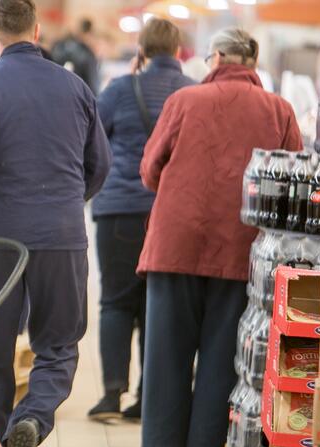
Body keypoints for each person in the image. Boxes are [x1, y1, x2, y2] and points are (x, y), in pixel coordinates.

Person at [0, 0, 110, 447]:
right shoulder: (75, 85)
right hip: (62, 236)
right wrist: (65, 205)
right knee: (57, 345)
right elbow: (101, 164)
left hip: (0, 238)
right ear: (37, 30)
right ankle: (31, 418)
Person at [137, 28, 302, 447]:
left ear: (216, 59)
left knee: (167, 350)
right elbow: (294, 180)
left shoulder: (184, 101)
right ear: (250, 62)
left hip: (176, 242)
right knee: (223, 354)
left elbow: (151, 169)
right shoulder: (279, 111)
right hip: (242, 250)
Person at [87, 18, 194, 423]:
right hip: (169, 212)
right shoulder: (193, 93)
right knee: (157, 304)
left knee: (115, 301)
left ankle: (112, 394)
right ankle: (149, 399)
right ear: (179, 50)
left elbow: (92, 141)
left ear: (142, 50)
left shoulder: (117, 89)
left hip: (118, 210)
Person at [50, 19, 100, 94]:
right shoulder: (85, 52)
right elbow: (92, 82)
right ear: (89, 33)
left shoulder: (60, 46)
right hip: (80, 95)